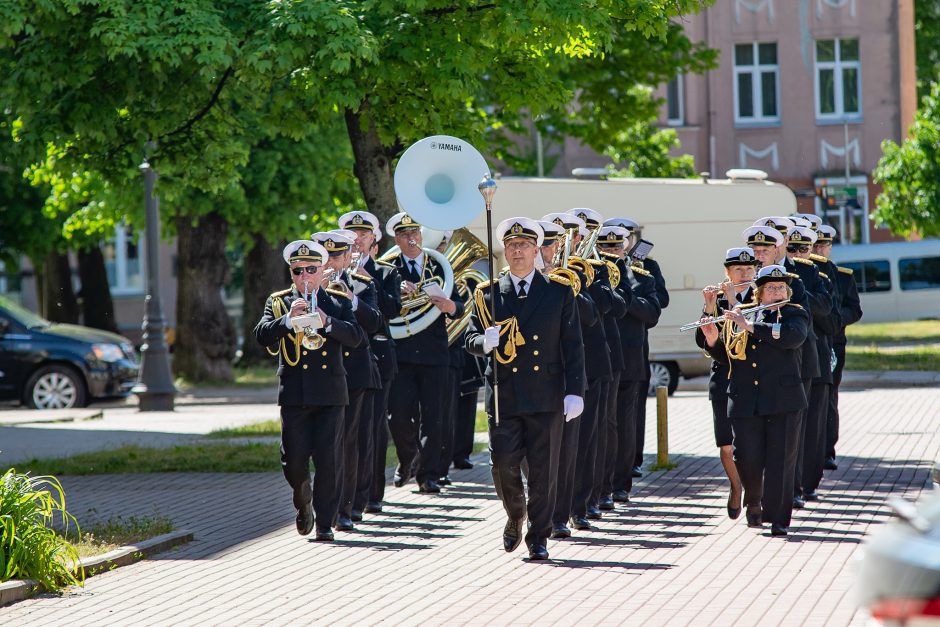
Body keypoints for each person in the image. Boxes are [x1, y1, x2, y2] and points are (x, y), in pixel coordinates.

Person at [466, 217, 585, 560]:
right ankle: (515, 514)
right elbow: (469, 338)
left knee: (544, 470)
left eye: (524, 246)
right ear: (506, 251)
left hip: (546, 393)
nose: (517, 251)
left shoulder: (558, 292)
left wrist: (575, 390)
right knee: (503, 463)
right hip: (505, 393)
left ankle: (538, 536)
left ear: (536, 250)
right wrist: (482, 342)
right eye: (512, 246)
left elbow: (572, 345)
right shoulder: (488, 293)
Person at [254, 240, 366, 541]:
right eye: (298, 271)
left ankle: (326, 523)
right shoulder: (278, 303)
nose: (304, 277)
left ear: (321, 271)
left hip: (331, 392)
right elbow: (261, 335)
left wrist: (328, 323)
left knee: (330, 460)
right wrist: (289, 320)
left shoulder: (337, 302)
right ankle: (304, 502)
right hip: (295, 394)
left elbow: (356, 337)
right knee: (293, 460)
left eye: (311, 271)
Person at [700, 264, 809, 537]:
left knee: (781, 460)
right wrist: (714, 341)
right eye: (770, 288)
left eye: (780, 288)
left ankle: (779, 517)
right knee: (746, 458)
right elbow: (730, 357)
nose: (776, 292)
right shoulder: (741, 315)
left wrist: (750, 325)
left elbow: (791, 338)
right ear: (759, 293)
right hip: (746, 399)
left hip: (783, 400)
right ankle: (754, 500)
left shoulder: (794, 314)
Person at [384, 212, 463, 493]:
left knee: (435, 416)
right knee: (399, 416)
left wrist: (448, 306)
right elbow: (383, 309)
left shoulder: (439, 265)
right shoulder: (388, 268)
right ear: (397, 239)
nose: (412, 238)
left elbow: (460, 306)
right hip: (402, 353)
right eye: (405, 235)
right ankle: (408, 458)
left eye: (415, 232)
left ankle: (428, 475)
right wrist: (396, 292)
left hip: (434, 352)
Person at [311, 230, 382, 532]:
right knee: (324, 443)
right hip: (320, 374)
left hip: (354, 372)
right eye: (327, 257)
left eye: (338, 256)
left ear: (348, 256)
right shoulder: (310, 287)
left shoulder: (363, 284)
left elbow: (375, 322)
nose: (333, 264)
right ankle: (323, 505)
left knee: (348, 441)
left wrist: (350, 298)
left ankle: (345, 507)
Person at [338, 211, 403, 515]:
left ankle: (373, 492)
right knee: (350, 432)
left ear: (373, 240)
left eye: (363, 235)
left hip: (377, 357)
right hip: (344, 360)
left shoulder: (385, 273)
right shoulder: (332, 272)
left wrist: (365, 282)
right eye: (352, 236)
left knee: (373, 429)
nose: (357, 240)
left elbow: (388, 311)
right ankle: (350, 493)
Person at [694, 247, 756, 519]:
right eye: (738, 270)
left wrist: (735, 303)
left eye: (749, 269)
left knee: (751, 444)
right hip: (723, 380)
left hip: (753, 382)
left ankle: (754, 493)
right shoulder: (716, 301)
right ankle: (736, 486)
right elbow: (705, 343)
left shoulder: (760, 298)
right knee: (726, 445)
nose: (744, 274)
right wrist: (710, 307)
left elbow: (749, 340)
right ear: (727, 274)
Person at [814, 224, 863, 470]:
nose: (820, 249)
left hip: (834, 341)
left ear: (831, 248)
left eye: (824, 245)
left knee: (830, 397)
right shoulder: (809, 275)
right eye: (816, 245)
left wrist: (834, 319)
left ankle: (827, 451)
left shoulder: (843, 276)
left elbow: (855, 309)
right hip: (812, 341)